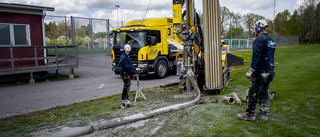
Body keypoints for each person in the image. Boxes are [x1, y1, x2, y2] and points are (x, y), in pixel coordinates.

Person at [237, 20, 276, 121]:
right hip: (270, 71)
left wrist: (251, 70)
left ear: (258, 29)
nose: (255, 31)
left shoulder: (259, 40)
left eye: (255, 29)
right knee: (265, 92)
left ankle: (250, 114)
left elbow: (256, 56)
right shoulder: (271, 41)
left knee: (253, 92)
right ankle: (264, 113)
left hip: (261, 71)